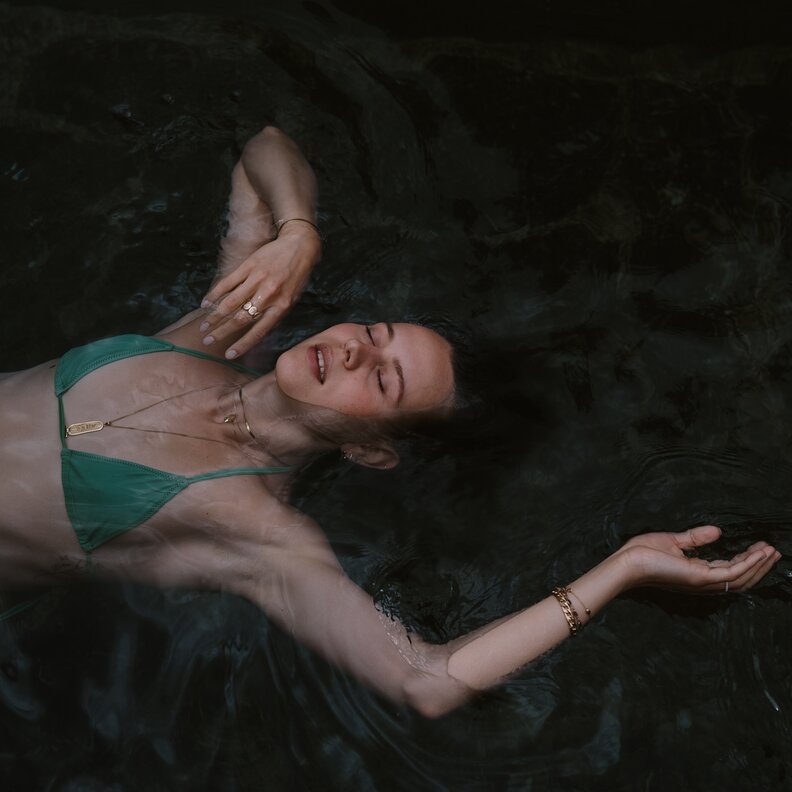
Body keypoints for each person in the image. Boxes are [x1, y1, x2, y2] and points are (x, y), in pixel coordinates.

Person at [0, 127, 780, 718]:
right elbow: (262, 151)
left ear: (373, 451)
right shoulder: (222, 331)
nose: (350, 349)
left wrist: (621, 570)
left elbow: (424, 681)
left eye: (382, 378)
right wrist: (301, 234)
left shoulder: (261, 535)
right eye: (374, 333)